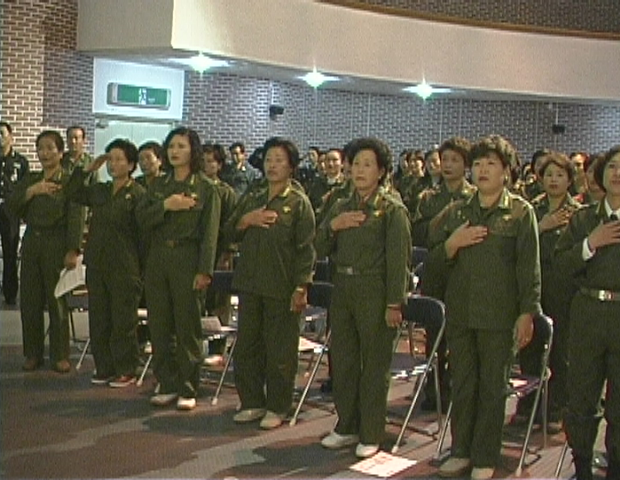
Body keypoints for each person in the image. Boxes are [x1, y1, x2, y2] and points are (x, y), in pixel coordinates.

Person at [429, 135, 541, 480]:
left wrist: (527, 313)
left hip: (499, 316)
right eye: (477, 164)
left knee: (492, 388)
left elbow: (529, 269)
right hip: (461, 313)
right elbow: (433, 265)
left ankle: (484, 455)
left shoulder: (520, 212)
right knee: (463, 384)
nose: (482, 170)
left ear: (506, 171)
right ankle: (461, 450)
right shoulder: (458, 211)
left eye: (491, 164)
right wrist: (451, 245)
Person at [316, 137, 411, 459]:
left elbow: (399, 261)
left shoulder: (392, 209)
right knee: (342, 361)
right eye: (355, 164)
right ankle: (347, 425)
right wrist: (334, 226)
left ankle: (371, 432)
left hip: (375, 290)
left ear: (381, 171)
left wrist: (394, 303)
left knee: (373, 366)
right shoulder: (341, 205)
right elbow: (317, 246)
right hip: (343, 287)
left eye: (367, 165)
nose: (359, 170)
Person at [223, 136, 315, 430]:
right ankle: (251, 401)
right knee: (247, 346)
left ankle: (278, 406)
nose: (272, 165)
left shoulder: (298, 203)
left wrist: (301, 286)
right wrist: (246, 220)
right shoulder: (254, 195)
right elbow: (229, 231)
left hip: (281, 286)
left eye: (279, 160)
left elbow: (306, 250)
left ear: (291, 166)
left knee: (279, 352)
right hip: (250, 283)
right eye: (268, 160)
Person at [136, 126, 221, 411]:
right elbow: (142, 218)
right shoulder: (159, 185)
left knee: (187, 327)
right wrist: (166, 205)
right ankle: (166, 382)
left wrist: (204, 270)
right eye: (171, 146)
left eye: (181, 146)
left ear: (193, 151)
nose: (175, 151)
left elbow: (210, 234)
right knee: (159, 324)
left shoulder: (206, 187)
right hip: (158, 257)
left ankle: (187, 385)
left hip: (188, 257)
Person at [555, 145, 620, 480]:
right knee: (581, 395)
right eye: (612, 166)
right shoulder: (583, 219)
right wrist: (589, 244)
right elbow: (560, 266)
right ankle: (581, 465)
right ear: (600, 174)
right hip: (588, 313)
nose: (618, 173)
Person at [64, 139, 146, 387]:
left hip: (125, 266)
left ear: (131, 165)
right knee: (99, 319)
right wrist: (86, 170)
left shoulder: (138, 194)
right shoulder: (101, 190)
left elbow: (144, 234)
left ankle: (126, 368)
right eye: (110, 159)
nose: (113, 164)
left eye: (119, 159)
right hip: (97, 263)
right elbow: (72, 192)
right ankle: (104, 367)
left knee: (123, 321)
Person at [7, 130, 82, 373]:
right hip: (32, 242)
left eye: (50, 148)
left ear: (61, 153)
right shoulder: (31, 179)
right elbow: (11, 206)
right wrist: (33, 191)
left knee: (56, 301)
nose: (45, 153)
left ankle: (60, 355)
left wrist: (73, 249)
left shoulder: (69, 181)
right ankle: (33, 354)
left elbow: (76, 216)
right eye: (40, 148)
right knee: (29, 301)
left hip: (56, 243)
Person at [515, 152, 581, 430]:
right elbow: (520, 246)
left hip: (564, 290)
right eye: (549, 174)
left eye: (560, 175)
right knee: (529, 347)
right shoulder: (532, 209)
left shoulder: (578, 214)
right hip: (534, 287)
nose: (553, 180)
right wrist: (541, 227)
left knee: (560, 352)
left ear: (569, 180)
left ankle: (555, 410)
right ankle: (528, 405)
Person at [0, 121, 29, 305]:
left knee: (10, 251)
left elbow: (25, 187)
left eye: (2, 133)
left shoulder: (20, 162)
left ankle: (10, 292)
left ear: (10, 137)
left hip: (10, 212)